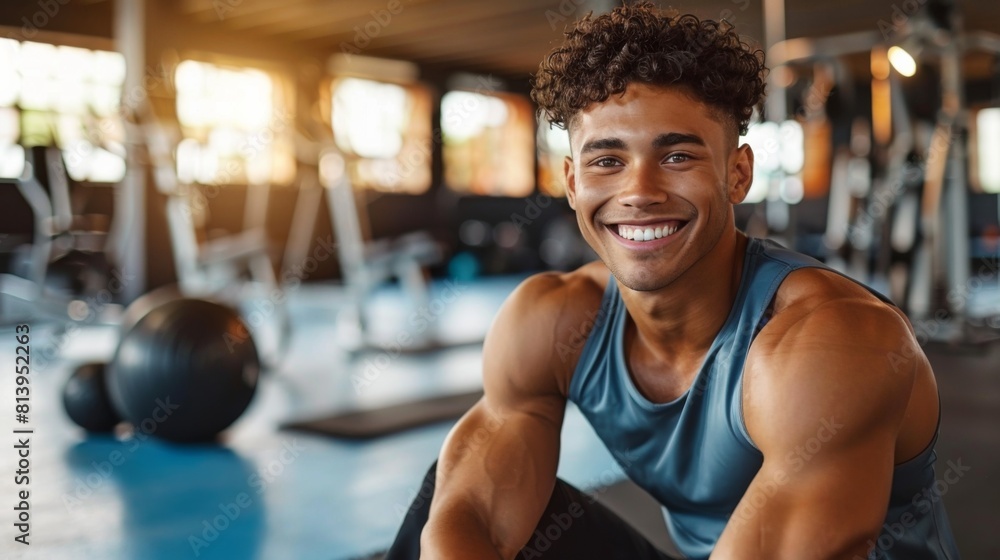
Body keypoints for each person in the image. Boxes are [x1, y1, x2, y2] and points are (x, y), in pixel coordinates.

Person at [386, 3, 960, 559]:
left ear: (738, 174)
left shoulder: (832, 343)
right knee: (451, 494)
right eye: (607, 161)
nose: (639, 191)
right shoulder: (555, 320)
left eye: (678, 156)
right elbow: (468, 525)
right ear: (570, 183)